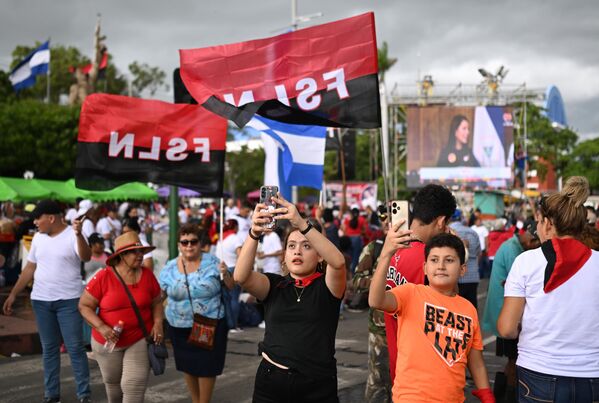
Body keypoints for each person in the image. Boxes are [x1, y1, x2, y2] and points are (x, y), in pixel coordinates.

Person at [234, 194, 346, 403]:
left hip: (317, 385)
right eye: (291, 246)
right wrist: (254, 232)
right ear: (284, 254)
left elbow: (338, 262)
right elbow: (240, 276)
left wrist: (301, 223)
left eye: (306, 246)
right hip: (271, 383)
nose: (297, 251)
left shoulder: (328, 286)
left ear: (320, 254)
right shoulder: (275, 284)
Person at [498, 176, 599, 402]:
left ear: (548, 224)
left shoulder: (526, 262)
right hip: (592, 375)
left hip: (538, 372)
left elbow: (506, 329)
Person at [369, 231, 493, 402]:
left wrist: (485, 392)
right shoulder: (410, 293)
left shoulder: (469, 309)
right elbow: (376, 300)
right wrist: (386, 255)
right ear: (425, 268)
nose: (441, 266)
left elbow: (476, 361)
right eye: (434, 260)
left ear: (462, 269)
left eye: (449, 260)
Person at [2, 199, 92, 403]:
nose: (34, 222)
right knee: (49, 349)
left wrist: (78, 234)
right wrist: (14, 293)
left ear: (51, 218)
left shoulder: (73, 235)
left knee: (75, 347)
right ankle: (51, 395)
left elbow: (85, 256)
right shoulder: (38, 239)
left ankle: (84, 394)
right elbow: (29, 268)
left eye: (37, 218)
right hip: (41, 301)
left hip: (69, 301)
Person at [383, 184, 456, 384]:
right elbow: (449, 305)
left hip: (398, 360)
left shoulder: (392, 248)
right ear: (441, 221)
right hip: (423, 368)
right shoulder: (428, 259)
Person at [78, 232, 163, 403]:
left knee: (133, 386)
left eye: (142, 252)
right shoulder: (103, 276)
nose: (141, 256)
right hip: (107, 342)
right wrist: (101, 327)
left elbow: (157, 302)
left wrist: (158, 322)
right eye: (135, 252)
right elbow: (84, 306)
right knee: (113, 386)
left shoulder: (147, 275)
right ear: (122, 255)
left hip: (139, 338)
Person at [159, 223, 233, 403]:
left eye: (193, 241)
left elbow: (230, 287)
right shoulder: (169, 267)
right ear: (179, 245)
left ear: (200, 243)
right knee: (188, 366)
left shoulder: (214, 262)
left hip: (209, 326)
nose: (189, 246)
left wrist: (226, 274)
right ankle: (195, 400)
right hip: (179, 326)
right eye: (184, 242)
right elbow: (159, 296)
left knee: (206, 367)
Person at [481, 221, 539, 402]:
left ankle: (501, 394)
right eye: (534, 242)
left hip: (506, 312)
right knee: (514, 360)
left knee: (511, 361)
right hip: (506, 313)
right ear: (529, 236)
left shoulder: (516, 246)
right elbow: (519, 284)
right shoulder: (513, 250)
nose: (535, 246)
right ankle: (507, 397)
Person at [351, 208, 391, 402]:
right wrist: (378, 281)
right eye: (383, 217)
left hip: (410, 327)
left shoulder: (416, 247)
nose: (387, 221)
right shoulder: (374, 248)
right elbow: (357, 281)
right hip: (380, 329)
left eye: (393, 216)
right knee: (378, 383)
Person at [449, 209, 481, 309]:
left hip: (455, 278)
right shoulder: (472, 232)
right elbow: (478, 253)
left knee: (456, 308)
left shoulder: (448, 232)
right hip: (472, 275)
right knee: (471, 306)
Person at [215, 219, 244, 332]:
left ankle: (228, 324)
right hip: (232, 269)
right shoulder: (235, 238)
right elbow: (241, 256)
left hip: (221, 270)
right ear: (235, 227)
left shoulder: (221, 238)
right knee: (234, 298)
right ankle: (234, 325)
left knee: (226, 299)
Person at [341, 206, 367, 273]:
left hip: (348, 239)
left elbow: (343, 229)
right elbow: (365, 230)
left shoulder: (347, 219)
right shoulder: (361, 219)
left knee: (348, 257)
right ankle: (354, 272)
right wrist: (360, 232)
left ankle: (348, 271)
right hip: (358, 239)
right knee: (356, 257)